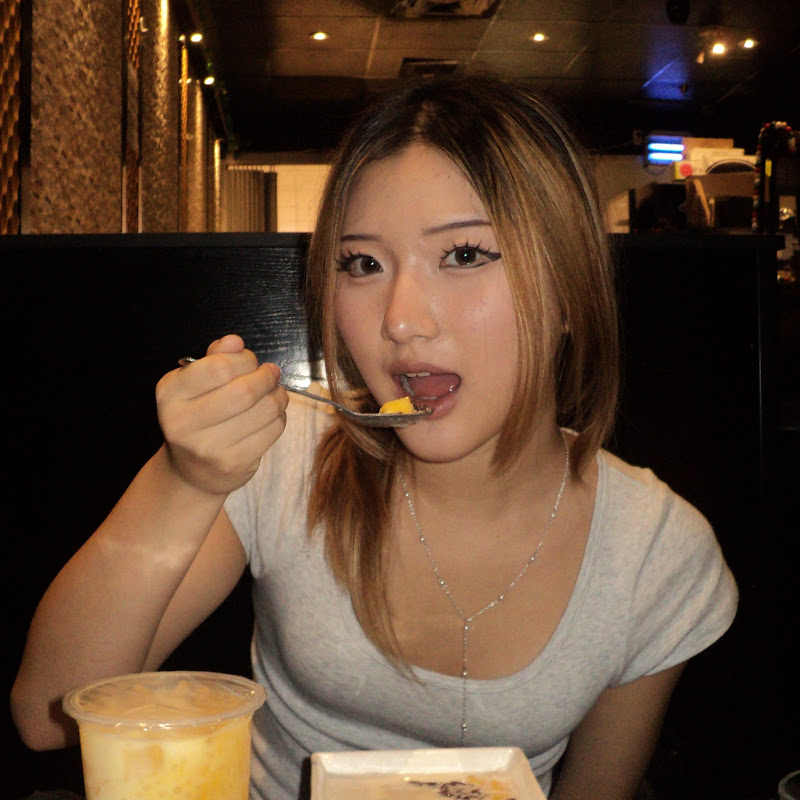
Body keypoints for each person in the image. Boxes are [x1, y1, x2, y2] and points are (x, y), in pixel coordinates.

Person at [11, 75, 737, 800]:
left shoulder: (656, 551)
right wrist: (185, 480)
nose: (400, 319)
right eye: (363, 264)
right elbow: (49, 713)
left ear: (570, 285)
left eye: (464, 255)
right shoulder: (282, 454)